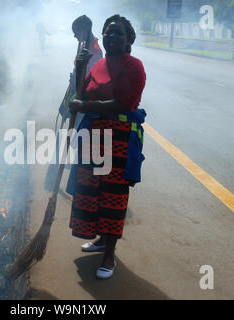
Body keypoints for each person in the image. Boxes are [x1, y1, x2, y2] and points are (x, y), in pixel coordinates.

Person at [67, 14, 147, 279]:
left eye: (118, 33)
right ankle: (101, 239)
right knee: (91, 189)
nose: (112, 37)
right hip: (93, 136)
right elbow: (83, 94)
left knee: (113, 195)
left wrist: (85, 106)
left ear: (128, 40)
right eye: (109, 32)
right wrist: (79, 70)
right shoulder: (99, 65)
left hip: (119, 139)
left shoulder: (134, 66)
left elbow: (123, 104)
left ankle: (109, 255)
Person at [44, 15, 103, 192]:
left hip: (83, 101)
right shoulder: (85, 46)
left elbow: (88, 81)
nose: (75, 37)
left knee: (75, 138)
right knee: (68, 135)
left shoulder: (95, 52)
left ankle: (73, 180)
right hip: (75, 96)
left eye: (76, 33)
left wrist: (77, 79)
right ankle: (61, 174)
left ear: (84, 30)